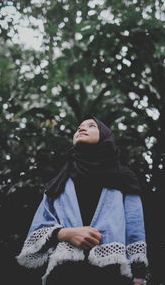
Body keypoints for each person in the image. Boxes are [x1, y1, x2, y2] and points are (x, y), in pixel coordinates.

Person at [16, 115, 148, 285]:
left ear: (105, 136)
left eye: (91, 126)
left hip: (112, 273)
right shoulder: (61, 179)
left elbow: (135, 229)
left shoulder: (124, 177)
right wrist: (66, 233)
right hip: (64, 274)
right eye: (79, 127)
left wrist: (139, 276)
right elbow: (40, 224)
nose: (81, 129)